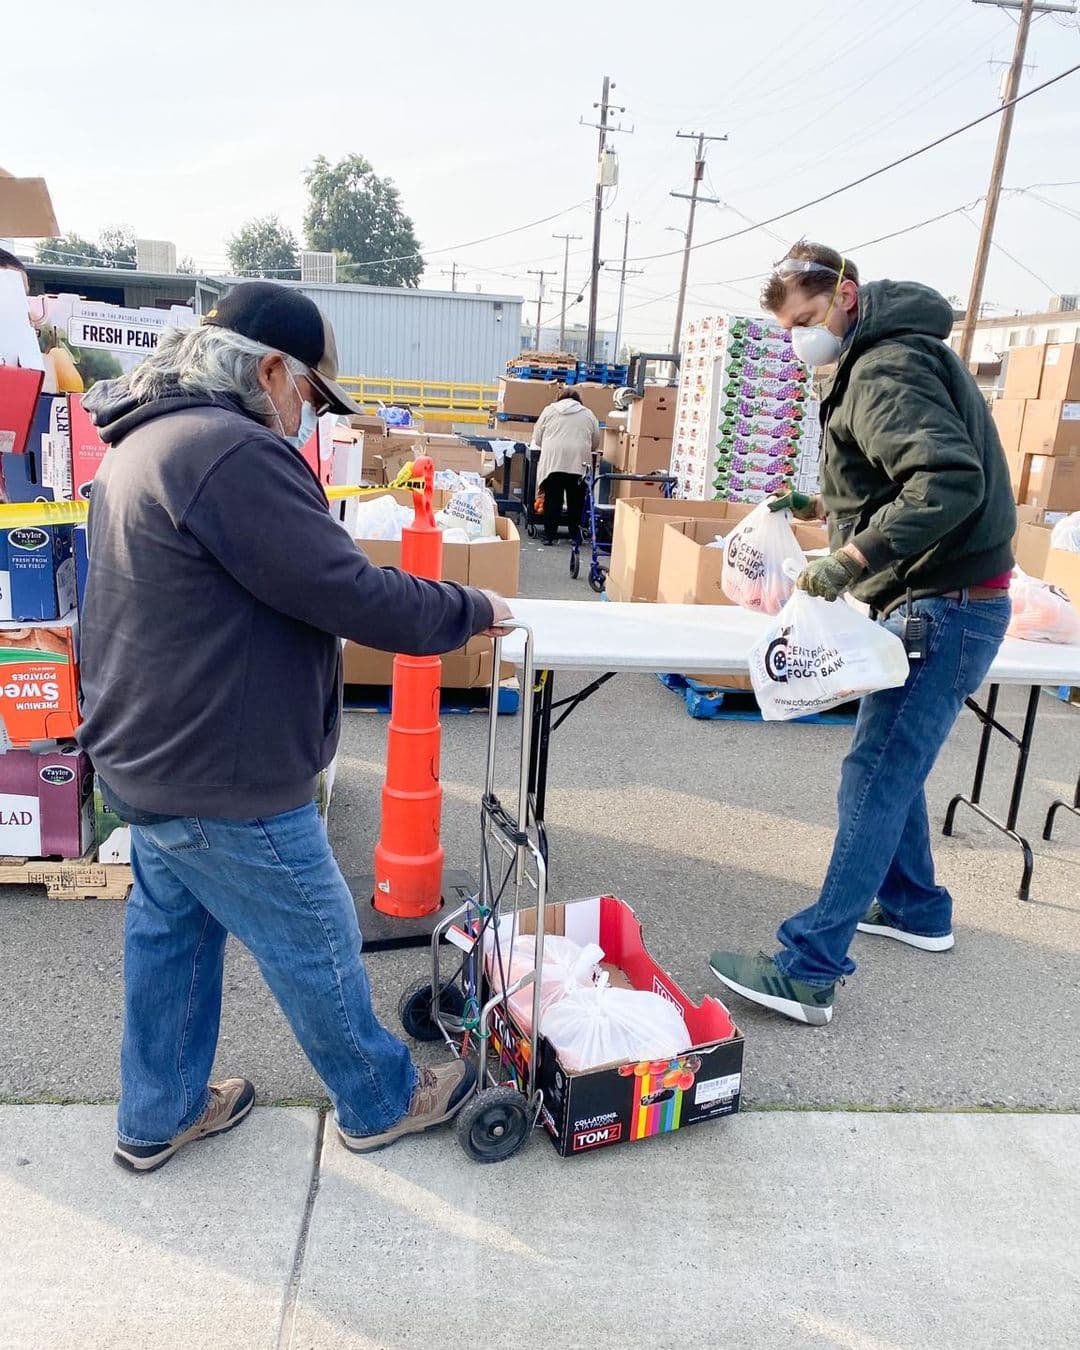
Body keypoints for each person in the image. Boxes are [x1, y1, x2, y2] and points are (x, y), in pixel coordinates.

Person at [78, 281, 513, 1171]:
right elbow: (347, 590)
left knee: (172, 937)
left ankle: (156, 1114)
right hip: (219, 771)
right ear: (271, 369)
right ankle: (381, 1098)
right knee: (313, 935)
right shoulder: (229, 451)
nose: (306, 413)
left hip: (146, 753)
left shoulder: (146, 439)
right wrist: (473, 607)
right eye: (309, 393)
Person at [708, 241, 1015, 1027]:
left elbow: (946, 481)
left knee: (873, 776)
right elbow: (903, 473)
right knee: (892, 766)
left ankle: (810, 969)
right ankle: (917, 908)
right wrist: (827, 508)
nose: (803, 338)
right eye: (790, 328)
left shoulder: (883, 366)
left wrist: (850, 556)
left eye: (809, 319)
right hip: (952, 596)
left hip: (942, 603)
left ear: (845, 295)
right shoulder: (890, 351)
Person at [533, 388, 600, 545]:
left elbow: (537, 438)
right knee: (576, 501)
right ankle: (574, 536)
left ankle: (549, 536)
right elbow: (596, 441)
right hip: (579, 461)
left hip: (553, 461)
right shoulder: (588, 414)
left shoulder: (549, 410)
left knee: (552, 500)